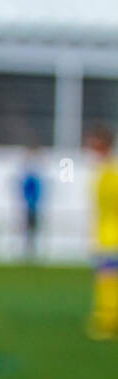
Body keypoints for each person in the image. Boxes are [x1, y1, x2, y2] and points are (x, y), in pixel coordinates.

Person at [86, 127, 118, 340]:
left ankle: (108, 322)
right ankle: (106, 319)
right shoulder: (103, 171)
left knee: (108, 281)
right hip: (103, 234)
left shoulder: (109, 173)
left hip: (110, 236)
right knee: (106, 280)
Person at [19, 149, 44, 261]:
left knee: (32, 230)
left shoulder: (33, 178)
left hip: (33, 207)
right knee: (28, 230)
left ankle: (31, 250)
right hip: (29, 207)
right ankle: (28, 250)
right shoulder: (30, 178)